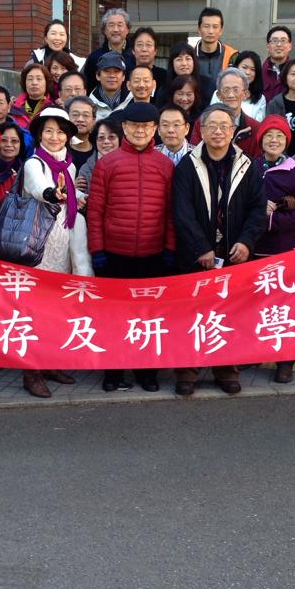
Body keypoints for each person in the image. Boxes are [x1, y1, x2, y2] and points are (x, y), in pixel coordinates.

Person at [173, 103, 266, 397]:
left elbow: (258, 209)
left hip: (235, 252)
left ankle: (227, 369)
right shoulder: (188, 165)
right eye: (212, 125)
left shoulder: (247, 165)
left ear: (233, 131)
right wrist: (200, 247)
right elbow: (182, 211)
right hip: (195, 255)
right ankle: (188, 370)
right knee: (192, 313)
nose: (218, 131)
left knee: (230, 313)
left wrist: (247, 242)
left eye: (224, 126)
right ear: (201, 129)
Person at [87, 101, 175, 394]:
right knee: (113, 316)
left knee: (149, 316)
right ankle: (113, 371)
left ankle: (147, 372)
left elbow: (171, 213)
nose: (140, 131)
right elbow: (96, 211)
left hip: (152, 254)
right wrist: (97, 249)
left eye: (146, 127)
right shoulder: (107, 164)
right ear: (124, 128)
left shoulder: (165, 165)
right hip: (114, 254)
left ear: (155, 130)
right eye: (134, 126)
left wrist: (170, 248)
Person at [21, 108, 92, 398]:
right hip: (39, 247)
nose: (54, 137)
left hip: (62, 246)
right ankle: (31, 371)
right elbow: (40, 189)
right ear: (40, 134)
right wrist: (55, 193)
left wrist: (76, 196)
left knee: (56, 310)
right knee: (33, 312)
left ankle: (49, 363)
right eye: (49, 131)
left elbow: (69, 201)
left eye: (61, 131)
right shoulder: (33, 163)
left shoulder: (70, 167)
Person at [253, 115, 295, 384]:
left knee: (285, 306)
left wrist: (270, 220)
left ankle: (285, 361)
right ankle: (252, 352)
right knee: (254, 303)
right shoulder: (251, 167)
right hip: (254, 247)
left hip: (285, 248)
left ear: (286, 140)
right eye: (268, 136)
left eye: (279, 136)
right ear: (261, 140)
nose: (274, 140)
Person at [189, 68, 261, 158]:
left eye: (236, 90)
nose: (231, 95)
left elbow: (257, 164)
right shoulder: (202, 123)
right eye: (226, 90)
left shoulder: (255, 128)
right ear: (219, 95)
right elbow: (194, 157)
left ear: (245, 94)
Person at [194, 7, 236, 106]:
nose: (211, 31)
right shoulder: (189, 56)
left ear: (221, 30)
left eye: (215, 27)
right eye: (206, 26)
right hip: (195, 111)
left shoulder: (232, 55)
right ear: (199, 29)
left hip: (223, 109)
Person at [0, 121, 27, 228]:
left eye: (14, 141)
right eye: (4, 140)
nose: (9, 145)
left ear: (21, 144)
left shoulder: (26, 170)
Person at [83, 8, 133, 87]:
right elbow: (88, 87)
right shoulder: (94, 58)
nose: (116, 29)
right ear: (105, 30)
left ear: (127, 30)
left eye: (120, 25)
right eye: (111, 25)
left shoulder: (135, 56)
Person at [211, 50, 266, 122]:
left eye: (253, 69)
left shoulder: (260, 98)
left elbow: (258, 125)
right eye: (244, 67)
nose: (248, 72)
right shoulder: (219, 93)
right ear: (236, 67)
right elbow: (211, 118)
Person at [9, 63, 53, 130]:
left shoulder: (52, 109)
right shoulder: (12, 108)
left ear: (46, 82)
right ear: (24, 82)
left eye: (39, 79)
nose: (34, 83)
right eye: (30, 79)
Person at [89, 52, 131, 118]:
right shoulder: (89, 104)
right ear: (98, 76)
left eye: (116, 71)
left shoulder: (133, 101)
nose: (112, 75)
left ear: (123, 77)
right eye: (107, 71)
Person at [129, 26, 167, 93]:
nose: (144, 49)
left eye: (148, 45)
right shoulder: (125, 75)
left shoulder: (165, 76)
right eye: (140, 45)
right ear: (133, 51)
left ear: (155, 51)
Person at [261, 25, 293, 103]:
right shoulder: (259, 73)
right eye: (274, 41)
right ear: (268, 46)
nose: (279, 44)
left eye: (283, 40)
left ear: (290, 46)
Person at [66, 94, 97, 171]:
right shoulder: (58, 150)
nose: (80, 119)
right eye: (75, 115)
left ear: (93, 121)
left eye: (86, 115)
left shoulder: (99, 151)